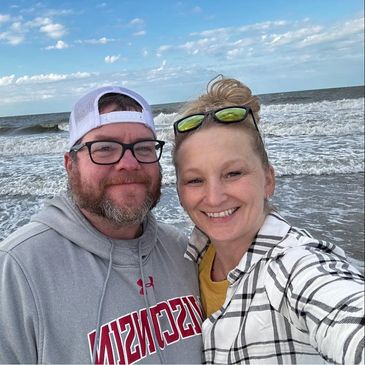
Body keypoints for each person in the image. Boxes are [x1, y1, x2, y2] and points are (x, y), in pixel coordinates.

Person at [0, 86, 203, 364]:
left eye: (144, 147)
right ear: (70, 164)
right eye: (105, 148)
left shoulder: (182, 250)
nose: (129, 163)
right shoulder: (16, 270)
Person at [172, 76, 364, 364]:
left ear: (268, 180)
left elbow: (344, 311)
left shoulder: (294, 266)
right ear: (178, 191)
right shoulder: (188, 260)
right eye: (195, 180)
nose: (213, 198)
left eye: (233, 173)